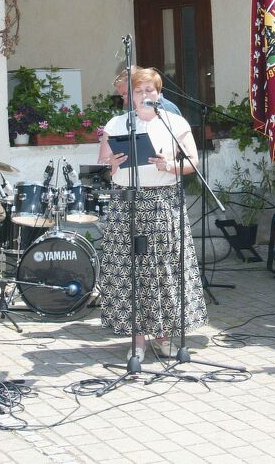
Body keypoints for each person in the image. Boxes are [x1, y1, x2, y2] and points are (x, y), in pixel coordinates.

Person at [96, 67, 207, 362]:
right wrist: (112, 162)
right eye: (139, 90)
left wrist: (169, 165)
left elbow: (193, 162)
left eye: (150, 90)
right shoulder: (117, 123)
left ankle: (163, 336)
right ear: (131, 96)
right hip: (127, 203)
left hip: (162, 203)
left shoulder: (174, 122)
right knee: (131, 271)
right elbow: (103, 163)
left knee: (162, 270)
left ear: (158, 94)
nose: (145, 95)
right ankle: (137, 341)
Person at [113, 67, 183, 116]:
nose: (125, 102)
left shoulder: (167, 109)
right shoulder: (136, 113)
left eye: (126, 94)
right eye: (122, 96)